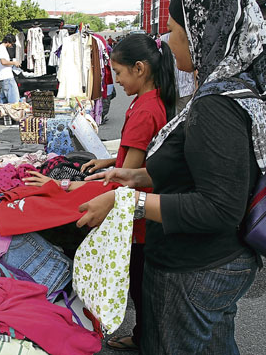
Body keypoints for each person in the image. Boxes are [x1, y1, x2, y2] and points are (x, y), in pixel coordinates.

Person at [79, 0, 266, 354]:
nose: (168, 40)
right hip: (211, 261)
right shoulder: (227, 89)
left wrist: (126, 201)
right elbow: (200, 168)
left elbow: (218, 207)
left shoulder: (217, 105)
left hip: (197, 269)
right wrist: (136, 175)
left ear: (203, 31)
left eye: (174, 29)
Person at [25, 33, 177, 352]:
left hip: (138, 222)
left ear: (140, 69)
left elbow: (127, 181)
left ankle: (146, 339)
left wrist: (67, 187)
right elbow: (136, 160)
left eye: (119, 73)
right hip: (145, 214)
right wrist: (110, 160)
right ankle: (145, 335)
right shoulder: (153, 100)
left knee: (140, 286)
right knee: (145, 286)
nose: (116, 80)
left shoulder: (145, 111)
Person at [160, 32, 196, 113]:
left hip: (187, 88)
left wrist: (196, 88)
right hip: (170, 86)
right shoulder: (163, 39)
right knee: (169, 114)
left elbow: (196, 66)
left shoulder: (191, 39)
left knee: (184, 115)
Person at [0, 33, 21, 104]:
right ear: (8, 41)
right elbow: (3, 62)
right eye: (11, 44)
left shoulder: (0, 48)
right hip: (7, 78)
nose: (11, 46)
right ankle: (14, 114)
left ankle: (2, 114)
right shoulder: (2, 49)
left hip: (4, 78)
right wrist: (14, 63)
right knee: (14, 100)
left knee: (4, 101)